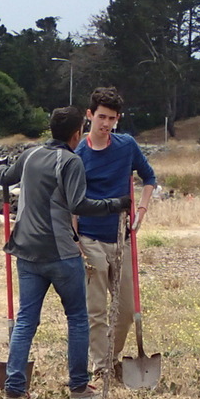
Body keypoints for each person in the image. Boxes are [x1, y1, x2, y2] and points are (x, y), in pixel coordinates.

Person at [0, 107, 130, 399]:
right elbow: (79, 204)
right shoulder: (71, 161)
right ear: (76, 135)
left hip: (26, 252)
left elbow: (5, 178)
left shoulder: (30, 155)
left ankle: (14, 389)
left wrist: (0, 168)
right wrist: (115, 204)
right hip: (60, 252)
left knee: (26, 320)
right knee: (78, 318)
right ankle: (79, 387)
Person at [75, 87, 157, 379]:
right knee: (96, 310)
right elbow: (70, 200)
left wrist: (142, 210)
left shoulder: (127, 146)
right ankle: (101, 367)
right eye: (101, 117)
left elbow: (149, 177)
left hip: (121, 237)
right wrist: (75, 241)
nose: (106, 123)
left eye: (111, 118)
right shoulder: (78, 154)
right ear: (89, 115)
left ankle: (113, 355)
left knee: (126, 309)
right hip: (89, 238)